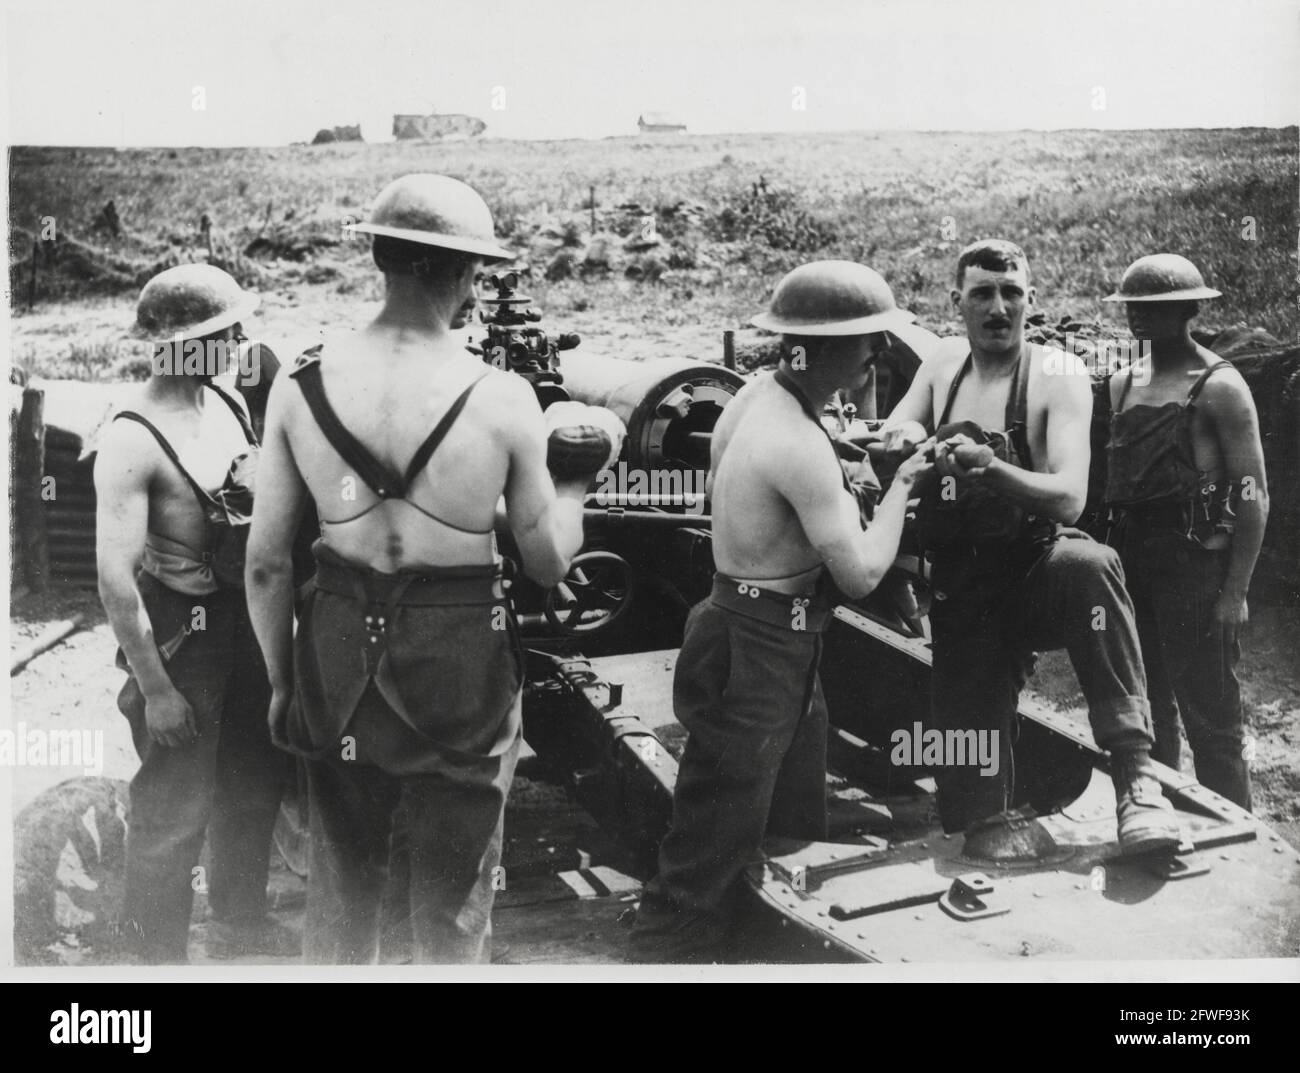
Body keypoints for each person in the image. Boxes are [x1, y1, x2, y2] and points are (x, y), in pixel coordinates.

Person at [245, 173, 624, 964]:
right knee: (452, 906)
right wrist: (577, 482)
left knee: (343, 891)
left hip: (338, 657)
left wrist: (285, 684)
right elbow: (549, 559)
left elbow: (266, 565)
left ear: (379, 259)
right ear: (465, 274)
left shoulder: (300, 382)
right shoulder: (503, 397)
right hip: (460, 671)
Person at [630, 261, 935, 961]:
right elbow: (858, 573)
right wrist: (902, 486)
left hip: (758, 629)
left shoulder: (758, 398)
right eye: (866, 341)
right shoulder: (796, 442)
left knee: (789, 815)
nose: (877, 355)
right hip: (762, 646)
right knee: (708, 843)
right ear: (822, 348)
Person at [880, 238, 1182, 853]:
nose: (998, 308)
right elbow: (900, 427)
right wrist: (904, 435)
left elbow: (1070, 497)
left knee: (1091, 565)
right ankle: (990, 815)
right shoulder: (941, 363)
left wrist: (989, 468)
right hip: (963, 591)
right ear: (956, 302)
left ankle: (1135, 776)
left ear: (1031, 300)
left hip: (1034, 571)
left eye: (1012, 293)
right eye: (983, 294)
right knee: (971, 812)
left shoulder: (1057, 373)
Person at [95, 264, 295, 963]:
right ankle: (156, 957)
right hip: (180, 636)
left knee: (253, 777)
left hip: (240, 619)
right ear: (184, 343)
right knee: (174, 807)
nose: (244, 338)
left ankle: (241, 921)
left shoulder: (227, 403)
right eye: (226, 330)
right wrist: (155, 688)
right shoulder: (131, 437)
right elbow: (116, 580)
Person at [1101, 254, 1267, 810]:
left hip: (1194, 565)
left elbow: (1253, 494)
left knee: (1213, 715)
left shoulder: (1220, 385)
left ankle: (1238, 837)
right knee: (1147, 710)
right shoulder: (1122, 382)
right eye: (1133, 309)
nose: (1140, 319)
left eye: (1157, 308)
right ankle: (1160, 822)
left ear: (1191, 309)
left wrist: (1236, 592)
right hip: (1131, 561)